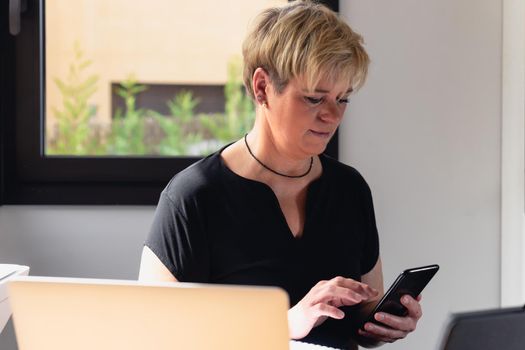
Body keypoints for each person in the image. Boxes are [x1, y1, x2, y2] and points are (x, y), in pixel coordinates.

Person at [139, 1, 423, 348]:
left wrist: (382, 320)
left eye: (343, 99)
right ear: (262, 88)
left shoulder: (350, 189)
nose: (333, 115)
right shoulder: (194, 197)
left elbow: (359, 316)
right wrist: (284, 323)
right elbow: (155, 334)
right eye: (315, 99)